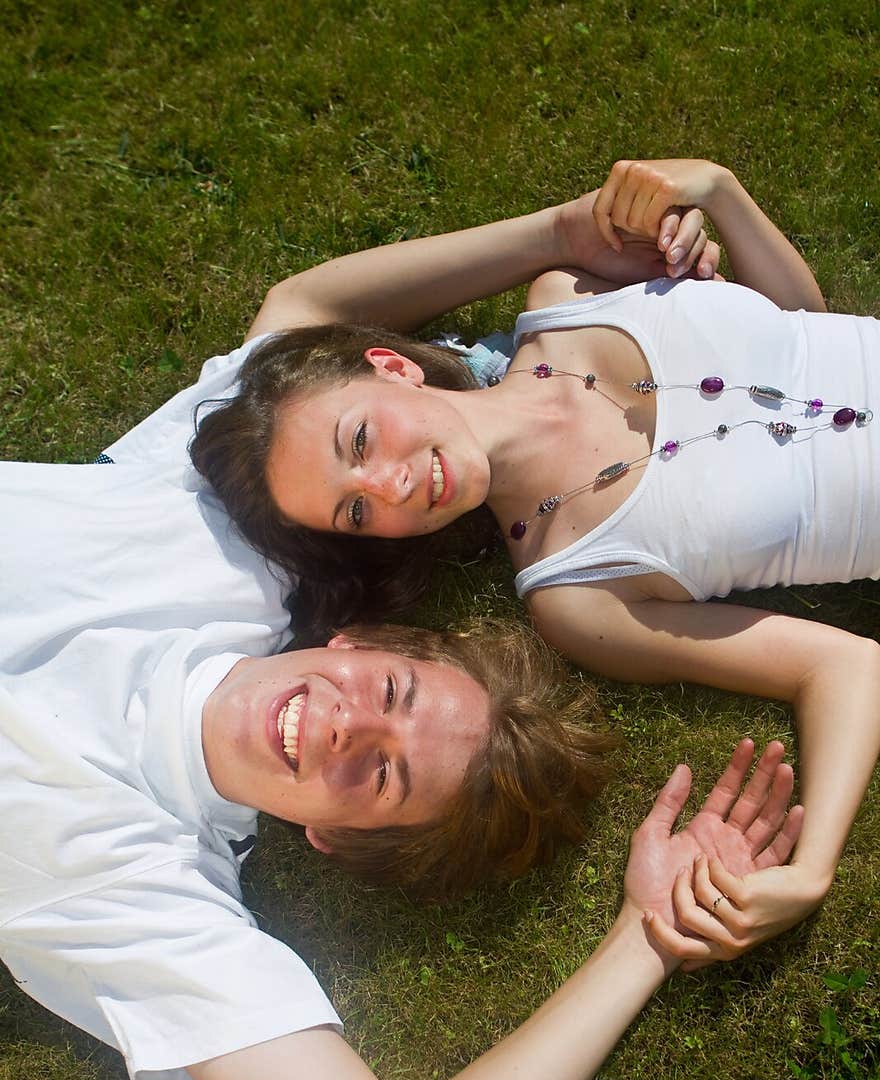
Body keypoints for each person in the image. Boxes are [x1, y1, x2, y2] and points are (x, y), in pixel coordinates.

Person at [191, 157, 880, 948]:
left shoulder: (569, 292)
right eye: (356, 510)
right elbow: (841, 664)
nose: (393, 484)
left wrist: (721, 190)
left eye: (362, 438)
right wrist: (811, 867)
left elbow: (804, 322)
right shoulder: (576, 592)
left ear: (393, 367)